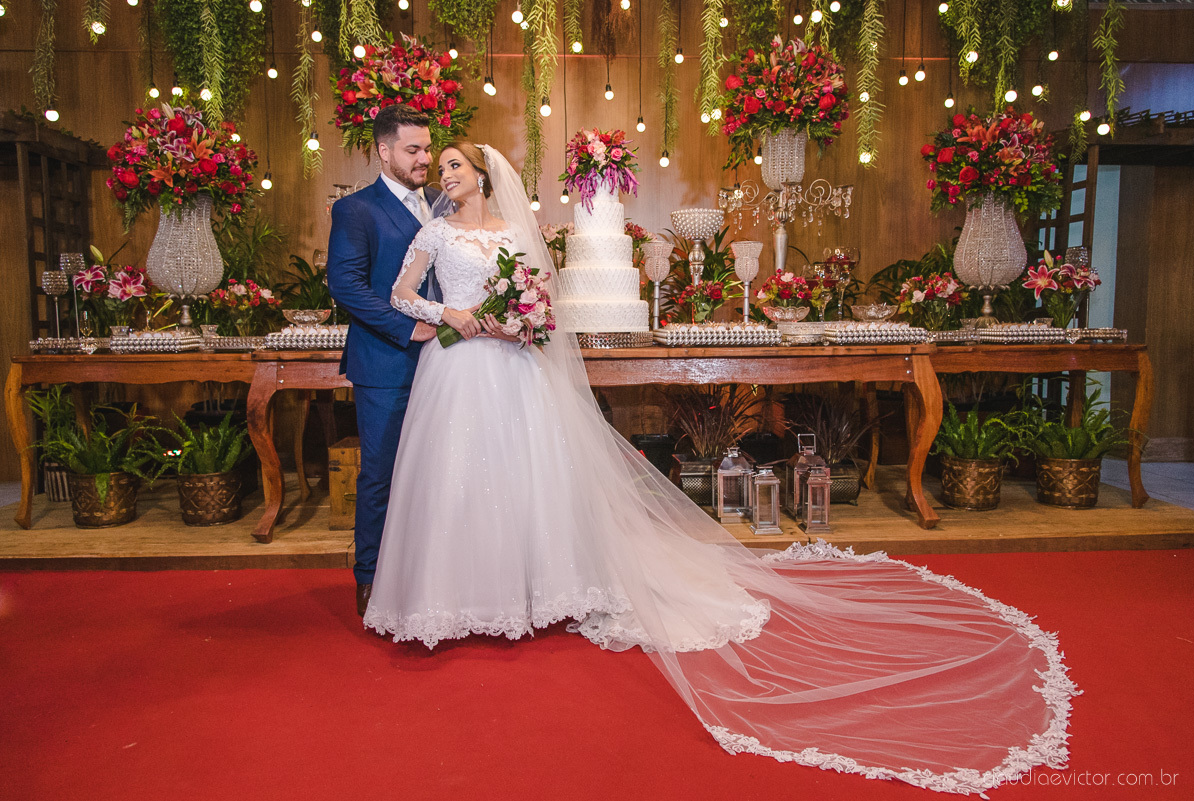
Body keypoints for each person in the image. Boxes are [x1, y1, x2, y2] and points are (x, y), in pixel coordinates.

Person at [364, 142, 1079, 795]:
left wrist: (520, 319)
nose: (447, 175)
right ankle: (459, 595)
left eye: (457, 166)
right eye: (442, 167)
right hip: (456, 372)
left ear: (484, 177)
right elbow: (400, 294)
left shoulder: (520, 236)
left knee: (524, 481)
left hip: (514, 372)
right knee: (458, 481)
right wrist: (451, 312)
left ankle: (532, 590)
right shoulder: (432, 233)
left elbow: (540, 300)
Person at [326, 104, 449, 617]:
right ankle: (371, 578)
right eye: (412, 150)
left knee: (439, 473)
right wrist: (408, 326)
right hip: (386, 363)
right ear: (384, 150)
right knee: (381, 473)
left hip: (448, 364)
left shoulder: (446, 203)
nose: (425, 159)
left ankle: (429, 575)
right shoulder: (357, 210)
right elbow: (345, 284)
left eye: (427, 148)